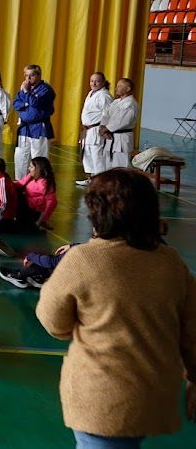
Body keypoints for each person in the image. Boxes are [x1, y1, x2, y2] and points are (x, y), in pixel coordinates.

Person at [36, 169, 196, 447]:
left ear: (97, 214)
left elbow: (55, 324)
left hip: (102, 399)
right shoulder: (172, 262)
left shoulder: (83, 259)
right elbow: (192, 329)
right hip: (154, 396)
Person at [13, 64, 57, 176]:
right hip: (24, 128)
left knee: (39, 158)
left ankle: (40, 181)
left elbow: (35, 103)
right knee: (20, 157)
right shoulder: (24, 88)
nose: (28, 78)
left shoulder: (46, 89)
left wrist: (27, 94)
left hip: (39, 128)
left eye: (31, 75)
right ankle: (21, 182)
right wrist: (26, 102)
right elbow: (16, 104)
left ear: (38, 75)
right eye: (26, 75)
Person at [77, 72, 113, 185]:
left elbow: (108, 113)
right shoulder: (92, 93)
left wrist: (104, 128)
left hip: (96, 130)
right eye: (92, 81)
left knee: (97, 156)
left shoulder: (104, 95)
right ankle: (91, 179)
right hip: (87, 130)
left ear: (103, 82)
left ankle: (100, 181)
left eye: (97, 81)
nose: (94, 83)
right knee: (88, 155)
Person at [98, 78, 139, 171]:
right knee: (107, 164)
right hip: (110, 136)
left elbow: (123, 121)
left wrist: (106, 129)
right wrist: (102, 127)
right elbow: (106, 115)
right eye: (117, 86)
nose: (116, 88)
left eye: (120, 86)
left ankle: (123, 185)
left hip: (122, 138)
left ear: (128, 89)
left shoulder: (130, 103)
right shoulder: (116, 102)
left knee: (121, 165)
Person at [0, 242, 75, 290]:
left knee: (46, 261)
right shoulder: (85, 249)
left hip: (72, 284)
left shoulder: (78, 254)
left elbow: (50, 262)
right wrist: (72, 245)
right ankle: (39, 277)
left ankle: (20, 276)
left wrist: (30, 256)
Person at [15, 156, 58, 232]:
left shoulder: (44, 183)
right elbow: (20, 183)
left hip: (32, 211)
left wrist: (43, 220)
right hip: (25, 205)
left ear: (38, 169)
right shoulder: (32, 176)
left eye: (31, 167)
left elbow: (52, 202)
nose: (29, 169)